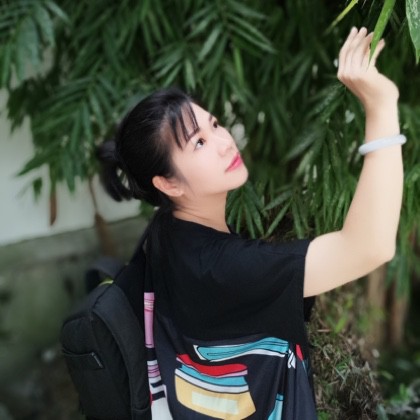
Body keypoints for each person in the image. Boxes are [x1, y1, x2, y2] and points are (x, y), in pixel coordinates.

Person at [97, 27, 404, 419]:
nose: (225, 141)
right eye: (199, 143)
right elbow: (370, 246)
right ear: (168, 183)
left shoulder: (167, 231)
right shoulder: (221, 267)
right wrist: (382, 106)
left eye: (215, 125)